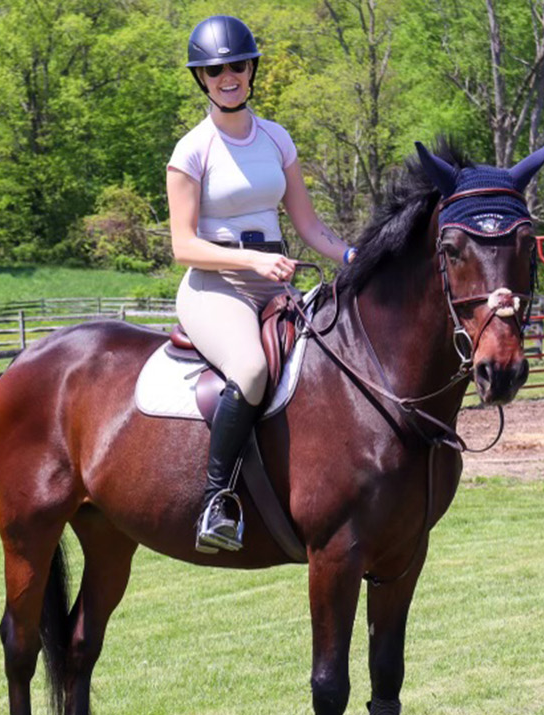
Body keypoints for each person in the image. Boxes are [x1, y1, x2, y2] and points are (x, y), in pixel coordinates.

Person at [166, 15, 358, 554]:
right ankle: (216, 501)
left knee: (328, 361)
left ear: (252, 69)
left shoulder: (276, 138)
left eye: (238, 65)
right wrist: (252, 261)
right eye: (216, 69)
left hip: (274, 285)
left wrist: (353, 254)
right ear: (202, 79)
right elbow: (182, 245)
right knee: (250, 369)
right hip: (215, 286)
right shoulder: (191, 151)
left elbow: (309, 225)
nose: (229, 76)